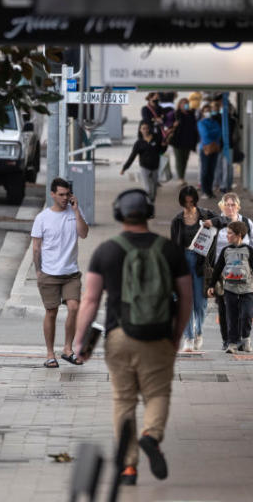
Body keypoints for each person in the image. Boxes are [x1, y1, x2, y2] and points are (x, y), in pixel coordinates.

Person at [73, 189, 191, 486]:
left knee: (123, 400)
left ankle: (128, 467)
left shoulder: (106, 251)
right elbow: (187, 299)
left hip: (119, 336)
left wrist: (79, 342)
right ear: (149, 213)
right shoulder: (169, 250)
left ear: (118, 214)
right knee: (158, 394)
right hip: (159, 335)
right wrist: (177, 334)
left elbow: (90, 301)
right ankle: (151, 435)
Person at [31, 177, 89, 368]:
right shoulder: (42, 218)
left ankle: (67, 349)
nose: (65, 198)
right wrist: (39, 272)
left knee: (73, 307)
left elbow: (84, 233)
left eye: (67, 194)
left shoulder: (74, 213)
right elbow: (36, 247)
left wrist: (77, 211)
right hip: (49, 273)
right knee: (51, 312)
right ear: (53, 194)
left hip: (71, 273)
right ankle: (49, 354)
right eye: (61, 195)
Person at [208, 192, 253, 350]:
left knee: (243, 310)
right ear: (222, 206)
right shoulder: (216, 223)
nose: (230, 208)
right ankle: (228, 340)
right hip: (222, 273)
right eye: (227, 205)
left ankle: (241, 337)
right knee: (225, 308)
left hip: (244, 273)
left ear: (238, 207)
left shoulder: (246, 223)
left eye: (233, 205)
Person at [170, 186, 218, 352]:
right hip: (183, 263)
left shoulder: (206, 215)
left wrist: (212, 222)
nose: (189, 205)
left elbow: (224, 222)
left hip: (200, 263)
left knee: (200, 303)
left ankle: (199, 332)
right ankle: (188, 337)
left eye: (191, 202)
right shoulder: (177, 220)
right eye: (185, 202)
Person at [121, 120, 167, 202]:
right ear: (140, 130)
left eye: (147, 128)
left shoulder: (156, 139)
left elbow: (161, 151)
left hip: (155, 167)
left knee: (154, 190)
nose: (145, 130)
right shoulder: (139, 143)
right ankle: (148, 205)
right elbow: (132, 157)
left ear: (150, 129)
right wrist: (124, 168)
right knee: (148, 189)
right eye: (143, 129)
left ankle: (151, 203)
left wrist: (164, 146)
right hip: (144, 167)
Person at [168, 97, 199, 187]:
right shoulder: (175, 114)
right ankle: (180, 177)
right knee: (179, 159)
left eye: (186, 103)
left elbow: (194, 126)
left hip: (188, 140)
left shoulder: (191, 114)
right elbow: (168, 123)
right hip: (177, 140)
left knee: (185, 159)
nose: (185, 105)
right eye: (183, 103)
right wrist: (173, 125)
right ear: (179, 105)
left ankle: (182, 176)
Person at [197, 103, 222, 199]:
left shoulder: (214, 122)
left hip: (215, 148)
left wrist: (211, 132)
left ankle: (210, 191)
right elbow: (205, 135)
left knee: (212, 170)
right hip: (205, 149)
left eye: (209, 111)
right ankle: (204, 191)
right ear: (203, 113)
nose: (208, 113)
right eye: (206, 111)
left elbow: (219, 132)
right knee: (205, 170)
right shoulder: (201, 123)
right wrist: (213, 133)